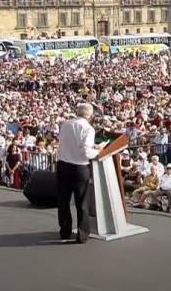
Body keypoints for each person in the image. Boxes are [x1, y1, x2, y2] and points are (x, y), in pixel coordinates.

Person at [56, 104, 104, 243]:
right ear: (91, 115)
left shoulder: (65, 124)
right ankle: (82, 235)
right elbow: (87, 152)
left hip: (63, 165)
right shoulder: (88, 129)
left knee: (63, 200)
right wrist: (99, 150)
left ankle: (65, 231)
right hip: (79, 168)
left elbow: (68, 142)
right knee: (81, 202)